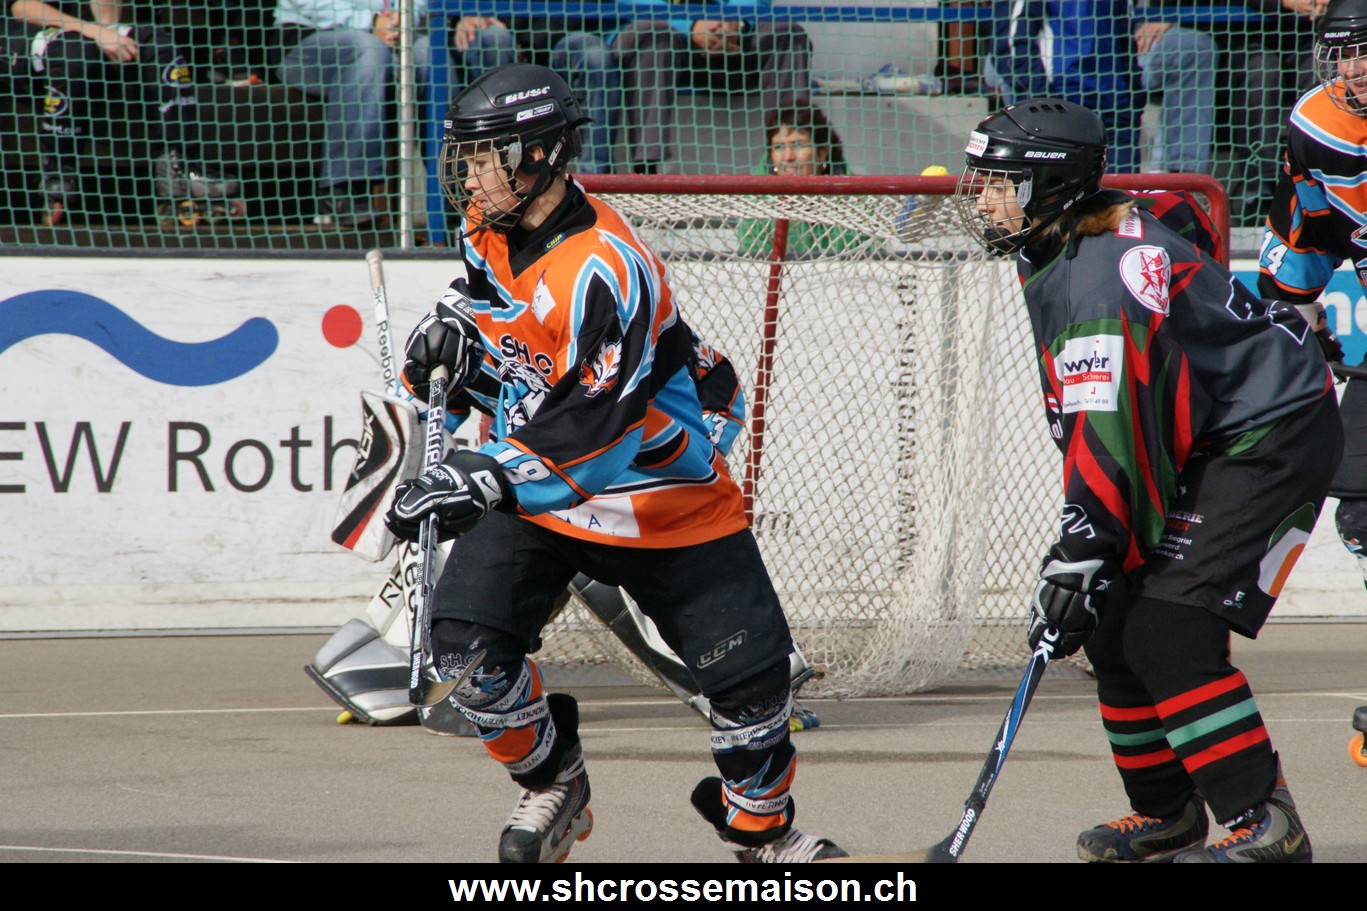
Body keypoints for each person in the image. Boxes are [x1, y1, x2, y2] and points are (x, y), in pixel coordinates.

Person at [381, 63, 847, 864]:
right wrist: (455, 340)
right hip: (542, 488)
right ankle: (555, 781)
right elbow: (499, 315)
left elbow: (599, 429)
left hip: (658, 493)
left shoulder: (605, 264)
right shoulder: (487, 221)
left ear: (538, 156)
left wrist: (484, 474)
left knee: (753, 693)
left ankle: (761, 834)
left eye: (487, 156)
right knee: (466, 654)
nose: (471, 174)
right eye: (469, 156)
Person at [953, 97, 1341, 862]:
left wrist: (1082, 546)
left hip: (1271, 430)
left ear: (1050, 186)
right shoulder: (1070, 233)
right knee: (1109, 618)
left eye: (1000, 184)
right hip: (1209, 430)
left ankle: (1267, 823)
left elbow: (1108, 434)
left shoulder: (1098, 284)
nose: (985, 201)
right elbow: (1177, 217)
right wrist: (1090, 555)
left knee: (1167, 627)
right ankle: (1166, 812)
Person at [1258, 0, 1367, 594]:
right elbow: (1308, 230)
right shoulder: (1318, 126)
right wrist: (1301, 318)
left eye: (1366, 53)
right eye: (1343, 54)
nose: (1353, 70)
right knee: (1363, 515)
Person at [9, 0, 239, 225]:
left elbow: (107, 20)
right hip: (21, 38)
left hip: (83, 34)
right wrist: (96, 32)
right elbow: (22, 8)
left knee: (157, 42)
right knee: (74, 52)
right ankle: (58, 174)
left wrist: (105, 32)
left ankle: (177, 169)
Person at [269, 0, 433, 228]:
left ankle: (453, 188)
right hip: (311, 36)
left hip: (395, 35)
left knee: (429, 52)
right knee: (369, 50)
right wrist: (371, 22)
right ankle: (343, 190)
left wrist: (403, 18)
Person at [613, 4, 813, 174]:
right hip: (669, 43)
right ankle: (645, 171)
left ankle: (788, 163)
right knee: (653, 34)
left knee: (789, 34)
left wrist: (736, 21)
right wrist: (690, 26)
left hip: (734, 42)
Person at [441, 14, 619, 174]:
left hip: (558, 36)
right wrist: (461, 16)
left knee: (593, 53)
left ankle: (597, 180)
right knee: (494, 39)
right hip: (494, 40)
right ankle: (497, 170)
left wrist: (527, 41)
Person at [987, 0, 1142, 172]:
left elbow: (1127, 42)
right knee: (1052, 187)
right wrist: (1043, 103)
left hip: (1116, 110)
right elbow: (1010, 45)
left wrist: (1133, 100)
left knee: (1122, 187)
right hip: (1058, 111)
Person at [736, 99, 869, 257]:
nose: (788, 157)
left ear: (822, 152)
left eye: (798, 145)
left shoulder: (860, 203)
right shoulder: (754, 203)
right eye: (778, 147)